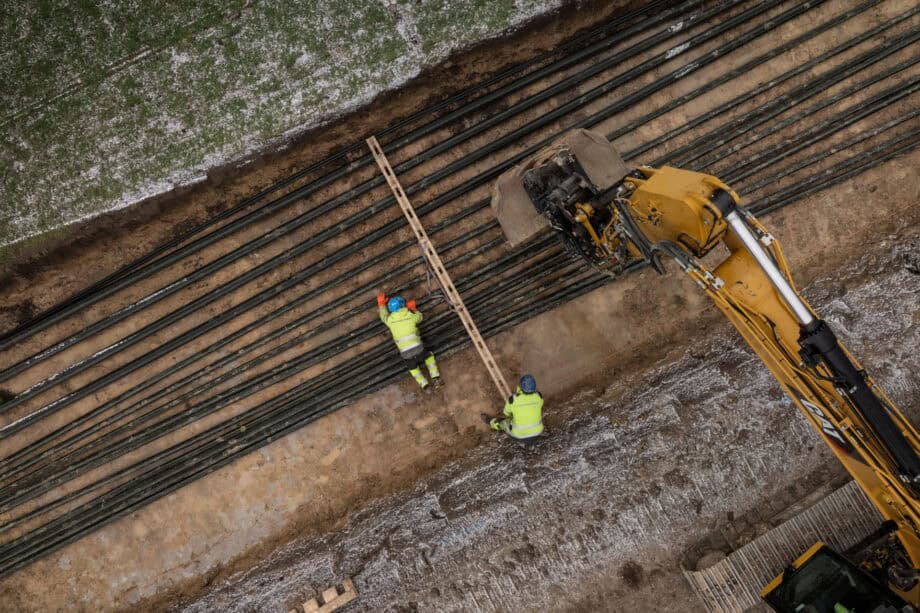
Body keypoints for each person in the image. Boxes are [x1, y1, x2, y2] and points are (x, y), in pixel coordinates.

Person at [377, 292, 441, 391]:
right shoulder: (410, 316)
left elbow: (383, 316)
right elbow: (420, 317)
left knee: (413, 368)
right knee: (429, 356)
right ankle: (435, 377)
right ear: (403, 305)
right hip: (419, 349)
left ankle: (425, 385)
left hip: (405, 354)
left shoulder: (390, 320)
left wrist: (381, 305)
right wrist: (414, 309)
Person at [489, 374, 544, 440]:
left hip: (519, 435)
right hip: (538, 433)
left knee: (504, 422)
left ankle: (492, 423)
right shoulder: (539, 397)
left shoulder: (513, 399)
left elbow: (506, 414)